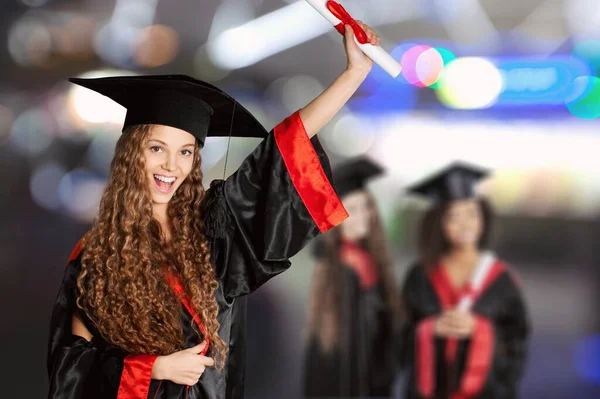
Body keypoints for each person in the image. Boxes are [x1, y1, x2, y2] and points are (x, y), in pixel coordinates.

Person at [47, 22, 381, 399]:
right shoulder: (95, 253)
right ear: (131, 155)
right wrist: (154, 367)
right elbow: (71, 364)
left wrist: (354, 73)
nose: (171, 165)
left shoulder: (213, 228)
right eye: (157, 148)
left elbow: (282, 153)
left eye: (185, 151)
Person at [399, 162, 530, 399]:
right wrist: (429, 330)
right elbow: (398, 336)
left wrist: (480, 330)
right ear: (438, 223)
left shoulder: (501, 278)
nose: (465, 224)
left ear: (483, 217)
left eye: (472, 213)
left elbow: (517, 342)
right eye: (453, 217)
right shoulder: (420, 275)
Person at [304, 157, 401, 398]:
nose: (364, 215)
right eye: (353, 209)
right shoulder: (334, 267)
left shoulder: (372, 261)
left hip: (375, 381)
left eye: (366, 206)